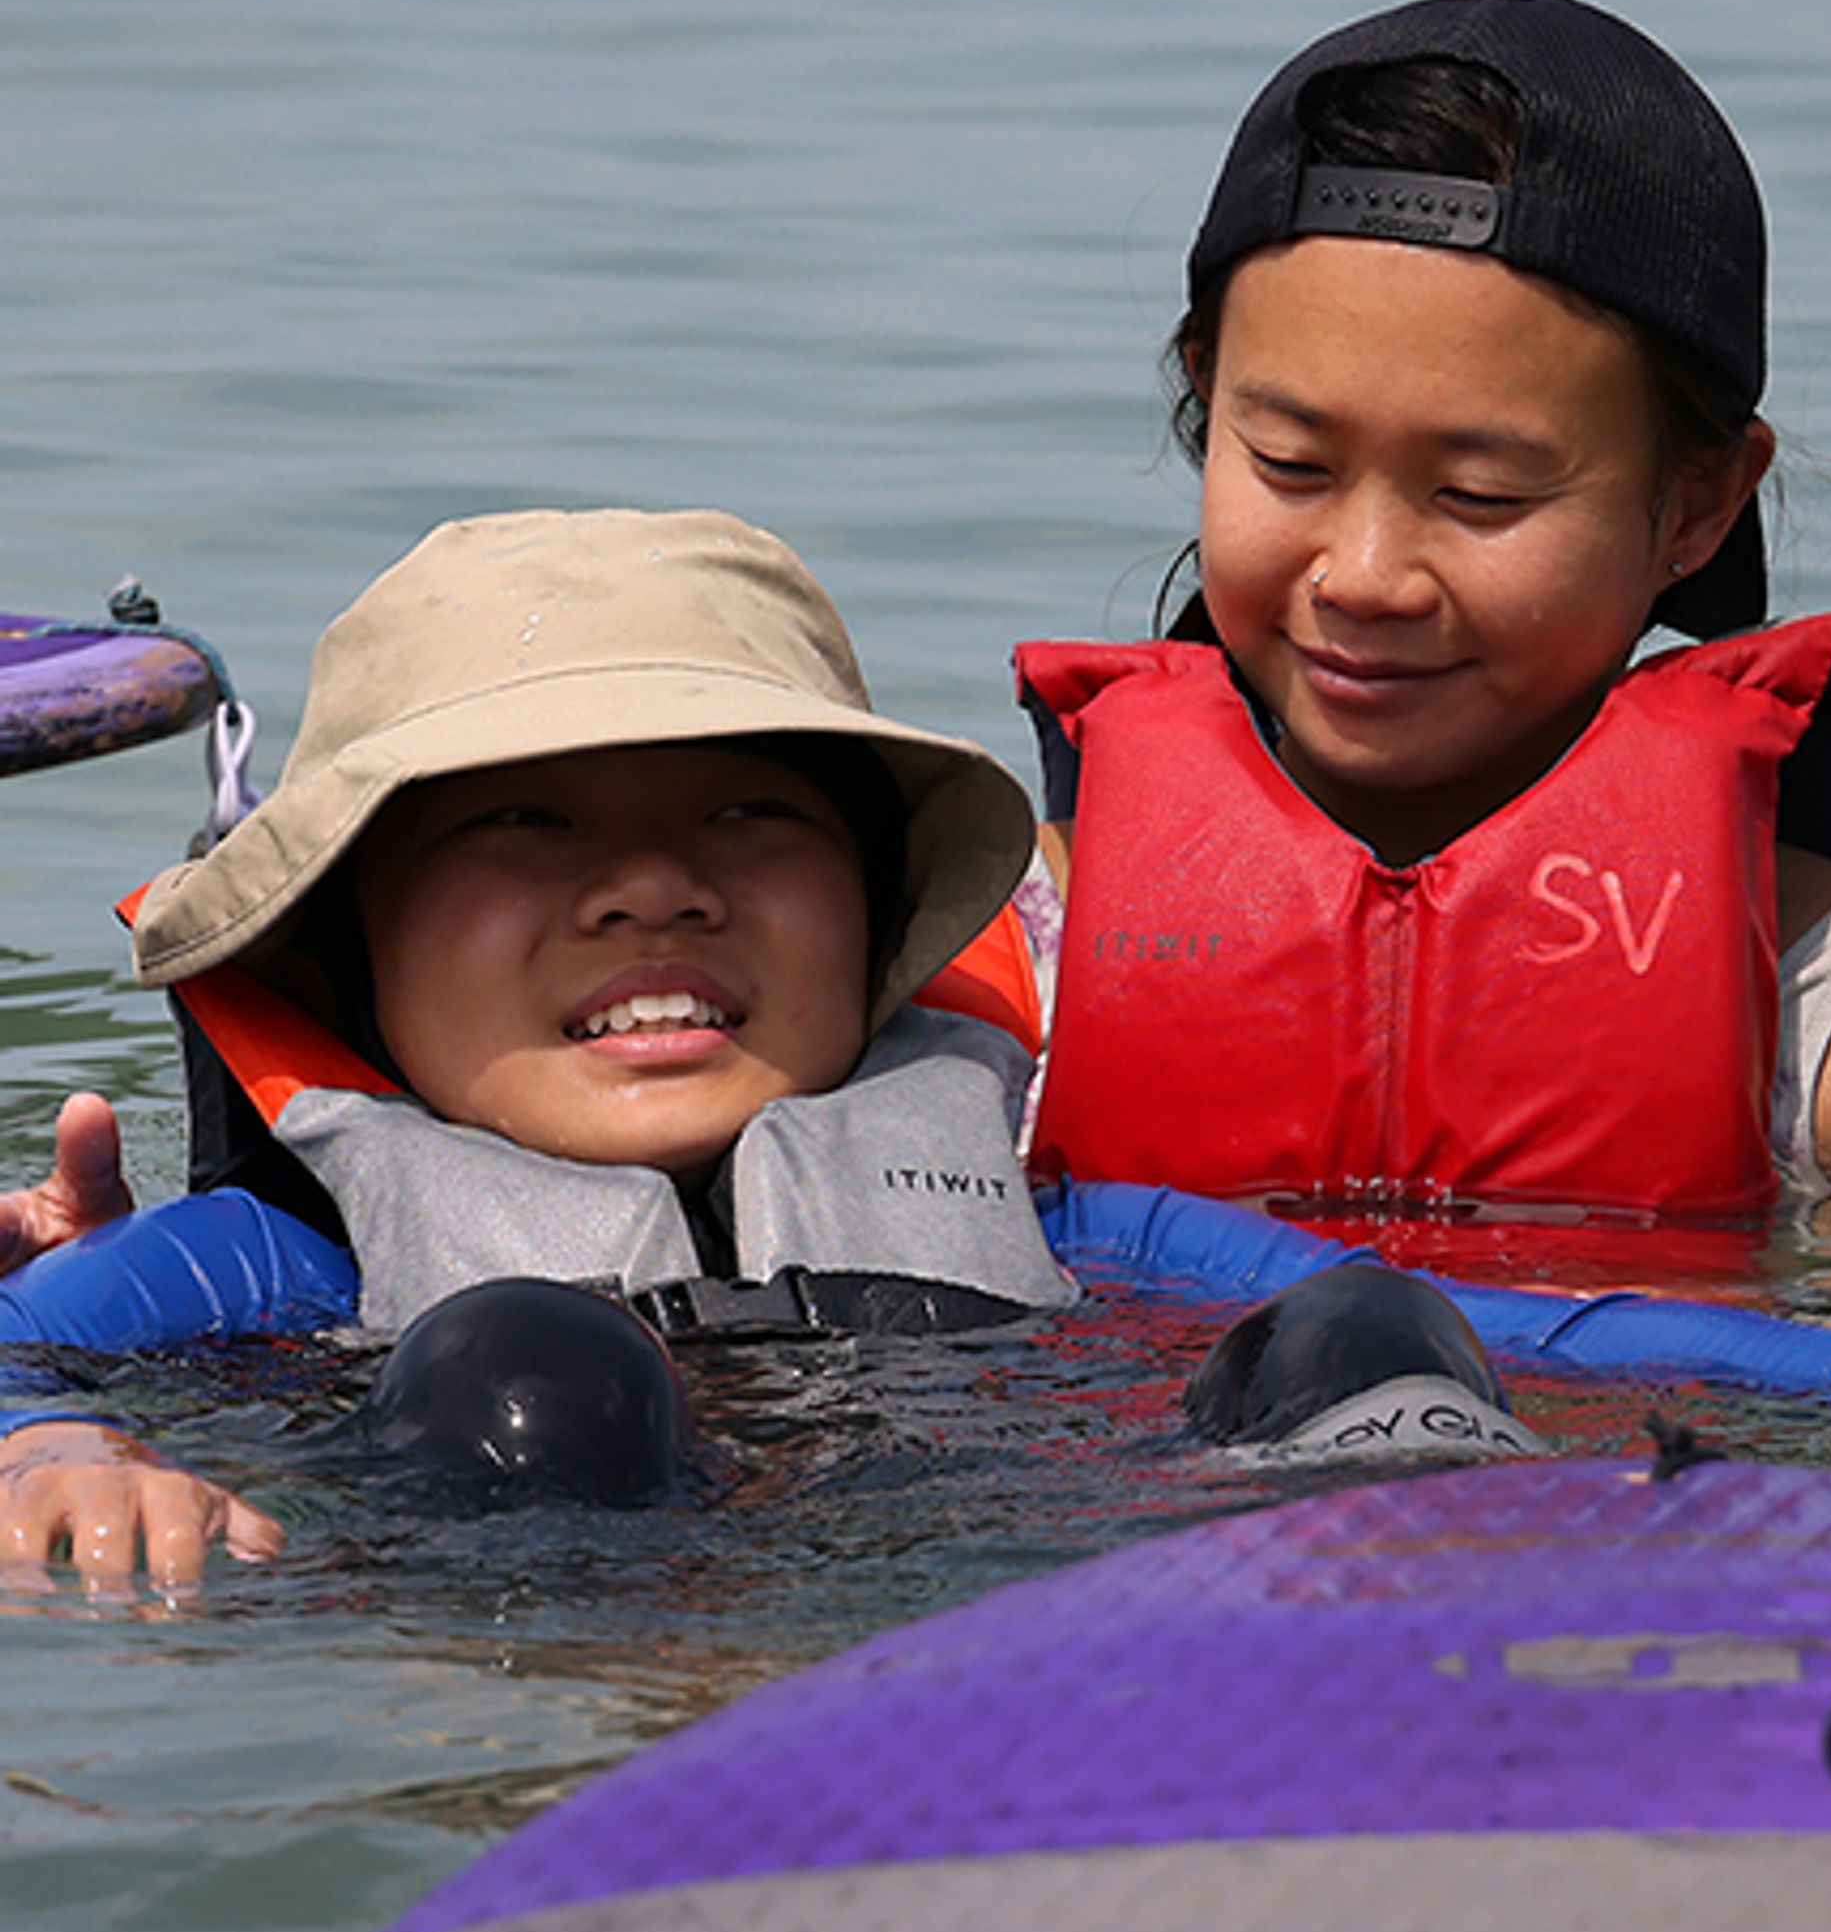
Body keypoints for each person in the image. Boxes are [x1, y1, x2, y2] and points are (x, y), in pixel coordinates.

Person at [0, 506, 1062, 1588]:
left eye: (749, 810)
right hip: (451, 1654)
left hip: (964, 1609)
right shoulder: (280, 1269)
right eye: (523, 823)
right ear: (335, 955)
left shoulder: (1052, 1235)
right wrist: (53, 1449)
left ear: (875, 919)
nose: (654, 889)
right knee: (524, 1370)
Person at [1017, 0, 1831, 1245]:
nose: (1368, 574)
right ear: (1204, 409)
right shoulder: (1001, 968)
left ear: (1700, 506)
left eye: (1480, 494)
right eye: (1289, 463)